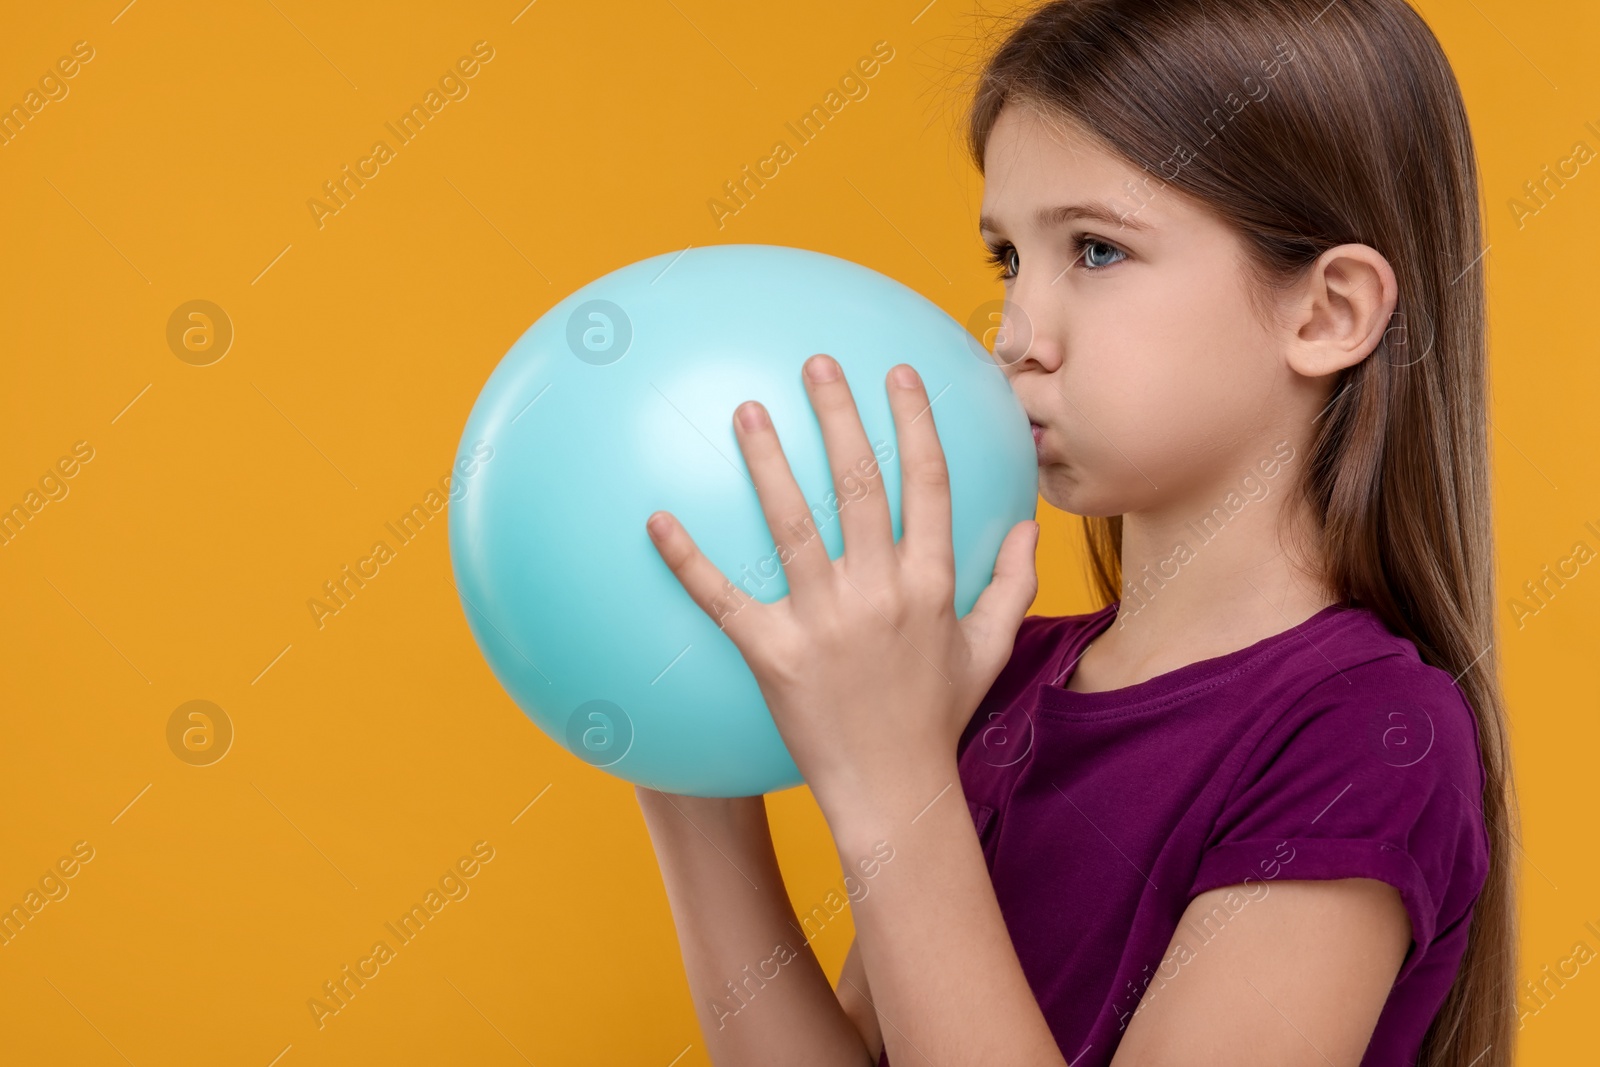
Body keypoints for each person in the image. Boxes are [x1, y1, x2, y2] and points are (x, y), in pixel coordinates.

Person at [634, 0, 1517, 1064]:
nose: (1015, 337)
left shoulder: (1368, 735)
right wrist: (689, 774)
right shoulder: (991, 678)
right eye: (1009, 258)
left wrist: (894, 788)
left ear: (1326, 312)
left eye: (1095, 251)